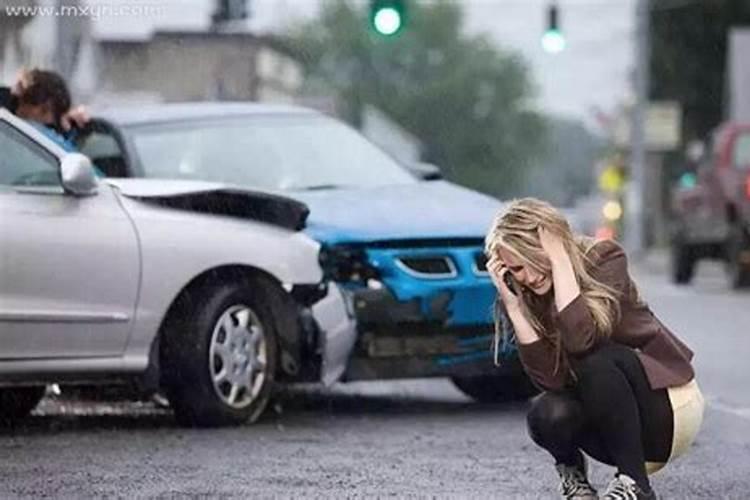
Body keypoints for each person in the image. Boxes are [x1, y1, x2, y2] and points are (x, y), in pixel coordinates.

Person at [484, 198, 704, 500]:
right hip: (614, 429)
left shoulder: (604, 258)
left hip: (668, 409)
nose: (529, 276)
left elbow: (581, 341)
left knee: (595, 361)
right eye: (517, 268)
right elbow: (551, 381)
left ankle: (636, 485)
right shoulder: (526, 293)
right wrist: (516, 309)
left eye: (536, 260)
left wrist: (560, 261)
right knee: (545, 411)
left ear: (553, 245)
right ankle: (577, 481)